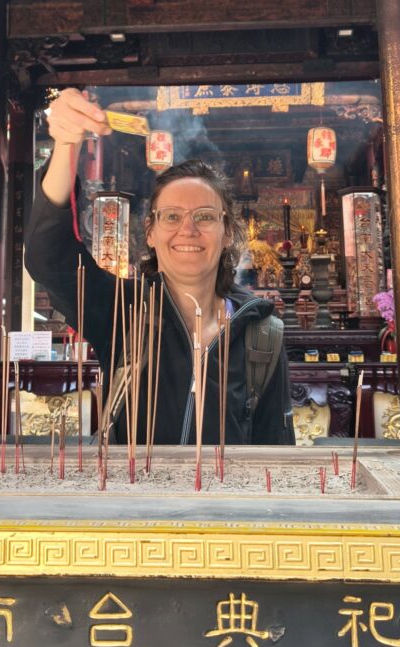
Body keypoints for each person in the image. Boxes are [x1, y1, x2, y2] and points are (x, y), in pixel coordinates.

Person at [24, 88, 293, 445]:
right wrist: (66, 144)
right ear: (150, 232)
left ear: (228, 232)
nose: (188, 229)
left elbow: (275, 452)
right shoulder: (122, 311)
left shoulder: (263, 334)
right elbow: (48, 257)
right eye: (171, 216)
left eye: (205, 216)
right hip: (135, 484)